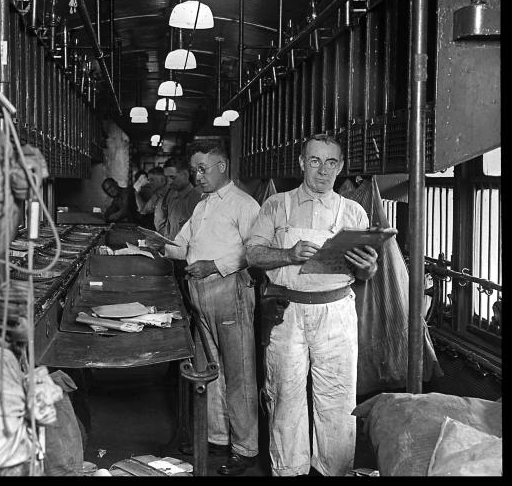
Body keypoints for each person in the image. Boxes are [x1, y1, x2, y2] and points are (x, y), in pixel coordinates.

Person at [245, 133, 378, 477]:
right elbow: (252, 253)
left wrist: (368, 267)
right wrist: (287, 254)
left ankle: (335, 470)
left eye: (331, 162)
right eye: (315, 161)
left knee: (337, 398)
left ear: (341, 166)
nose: (322, 170)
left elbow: (366, 271)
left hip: (335, 313)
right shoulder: (277, 205)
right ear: (303, 163)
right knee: (284, 395)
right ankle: (288, 469)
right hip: (286, 312)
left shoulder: (354, 212)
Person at [146, 141, 260, 476]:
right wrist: (159, 245)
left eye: (202, 169)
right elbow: (183, 246)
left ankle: (246, 448)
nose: (197, 176)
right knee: (210, 368)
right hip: (200, 291)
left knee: (239, 373)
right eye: (194, 169)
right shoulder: (202, 204)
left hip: (230, 289)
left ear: (222, 166)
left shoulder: (244, 204)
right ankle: (217, 437)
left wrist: (214, 265)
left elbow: (254, 251)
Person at [159, 157, 202, 240]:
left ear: (185, 175)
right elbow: (169, 232)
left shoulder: (197, 200)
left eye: (172, 177)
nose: (169, 182)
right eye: (167, 178)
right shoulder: (172, 198)